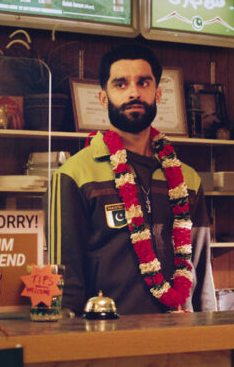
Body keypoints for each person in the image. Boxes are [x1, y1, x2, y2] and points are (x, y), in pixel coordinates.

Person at [47, 44, 216, 315]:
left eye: (143, 82)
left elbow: (202, 273)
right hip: (108, 334)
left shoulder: (188, 179)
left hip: (181, 331)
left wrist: (209, 329)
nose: (134, 92)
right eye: (121, 84)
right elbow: (66, 283)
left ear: (157, 94)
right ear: (104, 98)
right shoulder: (74, 175)